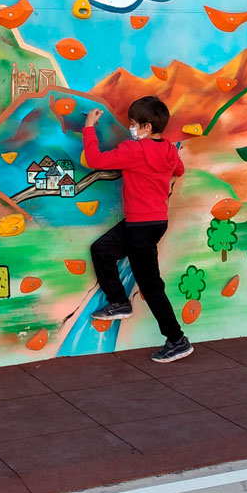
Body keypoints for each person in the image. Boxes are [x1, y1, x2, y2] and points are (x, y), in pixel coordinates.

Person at [81, 96, 191, 363]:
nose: (131, 127)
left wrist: (88, 127)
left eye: (133, 123)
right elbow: (180, 170)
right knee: (102, 249)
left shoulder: (133, 151)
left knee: (151, 285)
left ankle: (177, 340)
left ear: (147, 127)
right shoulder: (168, 150)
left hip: (140, 225)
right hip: (152, 222)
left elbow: (95, 159)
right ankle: (119, 301)